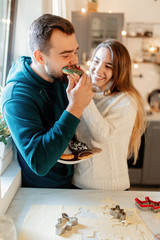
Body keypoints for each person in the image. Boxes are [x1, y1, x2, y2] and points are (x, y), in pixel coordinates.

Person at [0, 14, 94, 188]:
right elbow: (39, 162)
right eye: (66, 55)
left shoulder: (59, 76)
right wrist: (76, 107)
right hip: (43, 191)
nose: (75, 60)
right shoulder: (16, 97)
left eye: (75, 51)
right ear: (40, 57)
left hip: (73, 181)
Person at [71, 39, 146, 190]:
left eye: (108, 66)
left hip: (112, 188)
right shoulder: (87, 92)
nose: (98, 70)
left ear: (119, 71)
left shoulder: (126, 100)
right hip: (78, 183)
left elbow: (103, 136)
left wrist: (82, 98)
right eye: (96, 61)